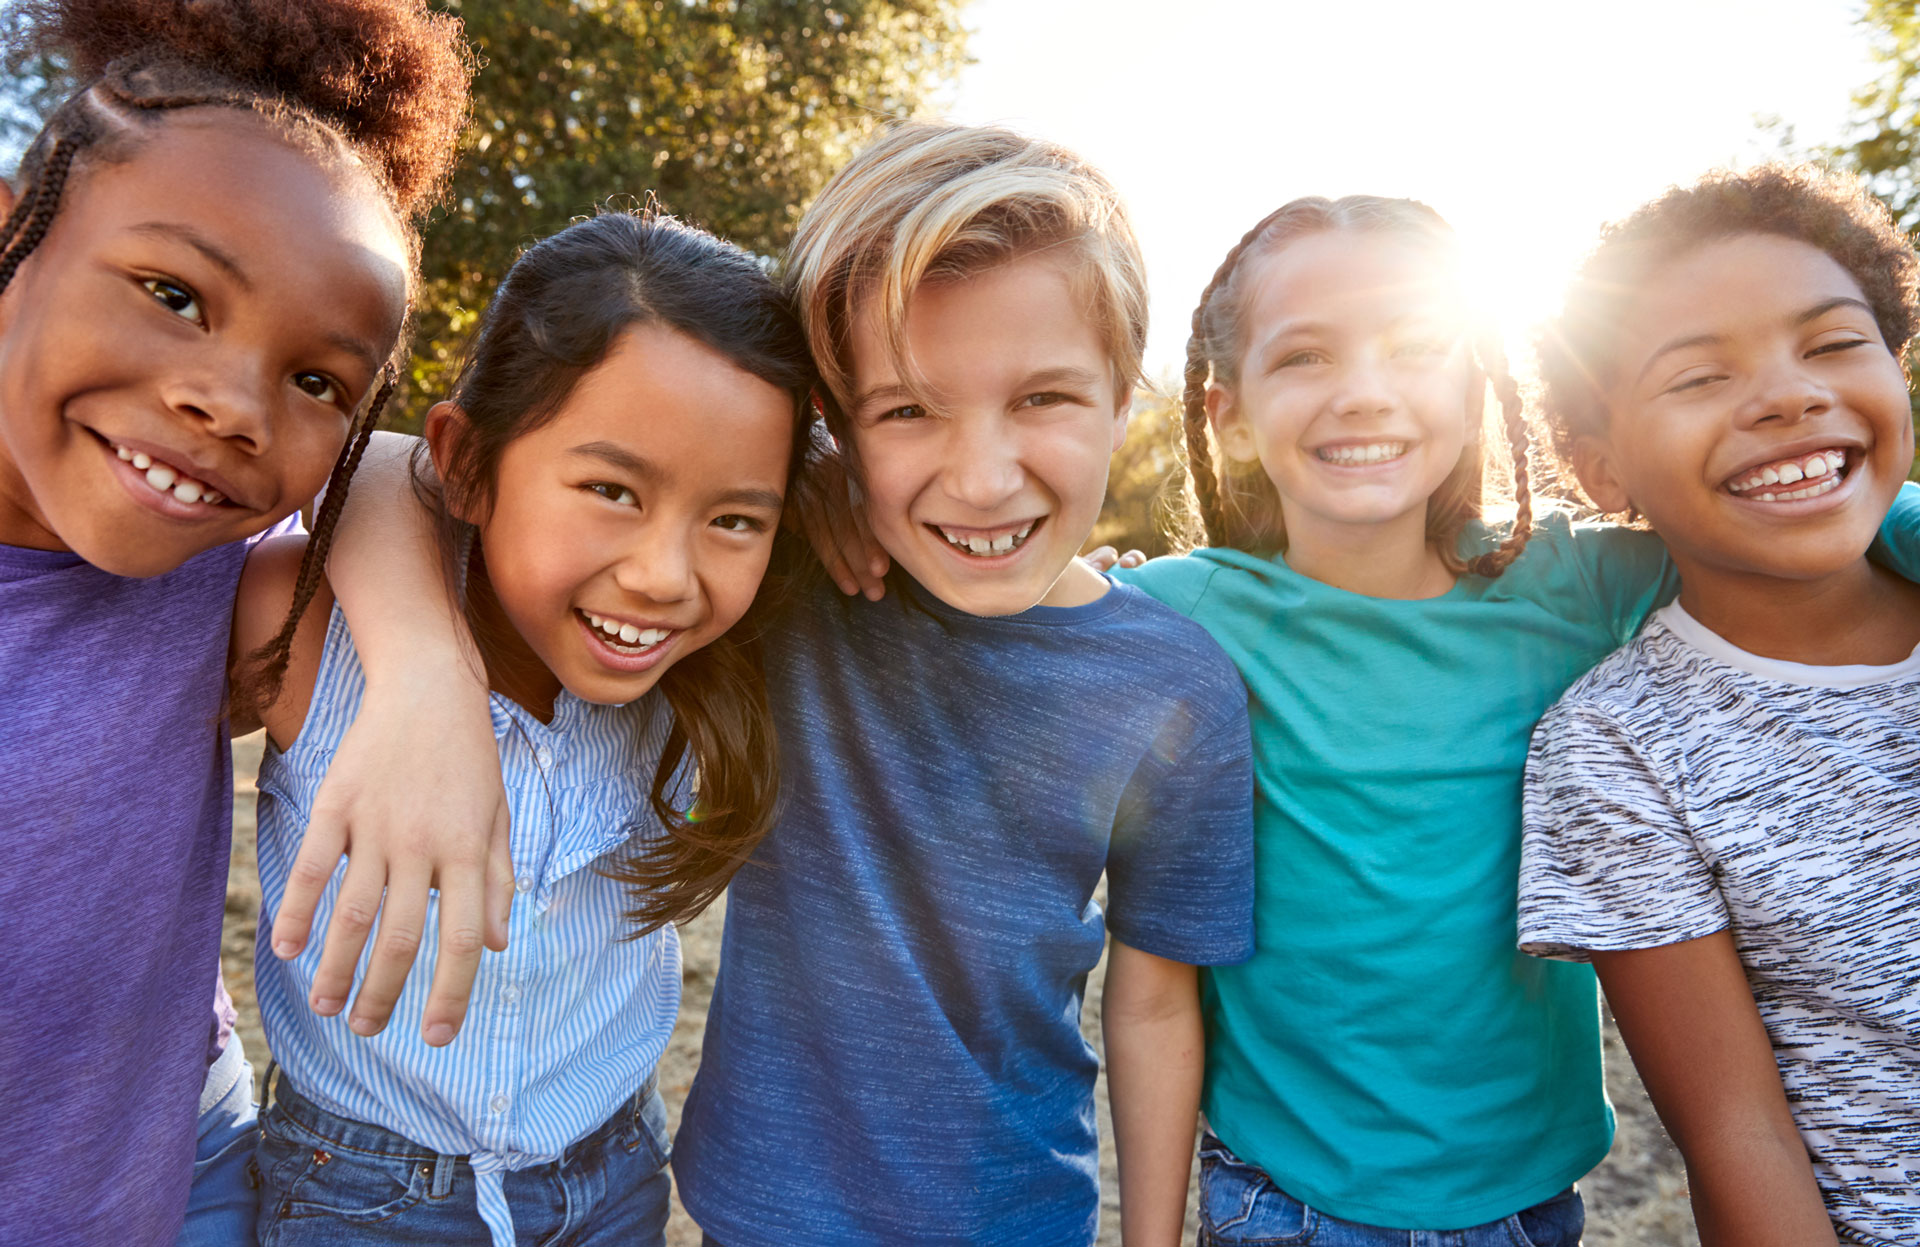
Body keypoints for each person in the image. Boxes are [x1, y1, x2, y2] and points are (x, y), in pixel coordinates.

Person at [1108, 194, 1920, 1246]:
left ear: (1477, 387)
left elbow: (1796, 507)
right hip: (1289, 1200)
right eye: (1306, 356)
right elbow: (995, 597)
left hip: (1532, 1204)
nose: (1366, 392)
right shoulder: (1178, 613)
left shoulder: (1572, 584)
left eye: (1417, 344)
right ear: (1230, 415)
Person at [664, 121, 1255, 1247]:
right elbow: (471, 465)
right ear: (833, 421)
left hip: (1016, 1213)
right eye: (907, 408)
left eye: (1043, 399)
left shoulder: (1177, 683)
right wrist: (810, 478)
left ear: (1125, 397)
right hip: (754, 1208)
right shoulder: (781, 573)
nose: (983, 479)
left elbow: (1156, 994)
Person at [0, 2, 500, 1244]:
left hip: (183, 1175)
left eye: (315, 379)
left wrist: (429, 676)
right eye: (175, 293)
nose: (231, 406)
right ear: (14, 232)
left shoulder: (206, 573)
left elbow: (387, 473)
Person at [236, 209, 814, 1247]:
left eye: (733, 517)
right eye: (610, 489)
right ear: (467, 463)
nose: (664, 575)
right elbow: (362, 462)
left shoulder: (723, 668)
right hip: (355, 1189)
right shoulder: (312, 629)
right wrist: (423, 672)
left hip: (616, 1173)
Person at [1520, 165, 1920, 1247]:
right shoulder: (1616, 748)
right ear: (1603, 468)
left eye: (1834, 344)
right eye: (1700, 376)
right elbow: (1738, 1133)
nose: (1789, 395)